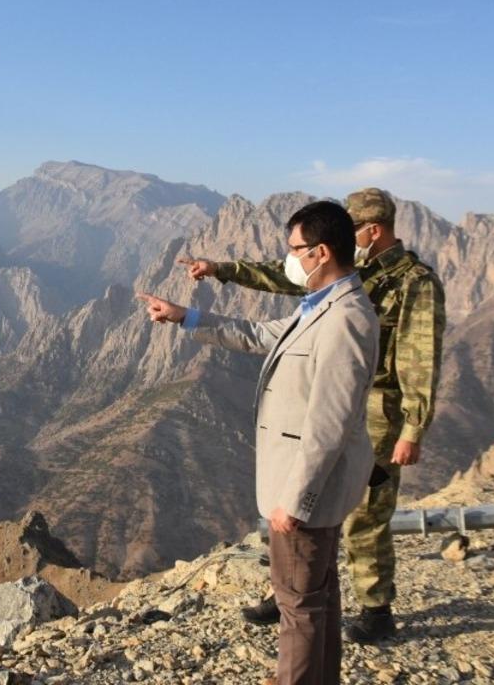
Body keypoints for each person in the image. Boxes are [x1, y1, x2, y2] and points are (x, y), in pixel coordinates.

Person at [180, 188, 446, 643]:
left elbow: (421, 359)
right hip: (324, 397)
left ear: (373, 230)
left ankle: (375, 607)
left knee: (364, 513)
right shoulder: (346, 273)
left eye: (353, 228)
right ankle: (290, 589)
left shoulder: (413, 282)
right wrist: (221, 270)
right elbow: (281, 277)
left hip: (379, 411)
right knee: (302, 497)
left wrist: (412, 428)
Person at [138, 200, 379, 685]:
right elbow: (258, 334)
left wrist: (295, 501)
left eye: (295, 249)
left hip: (305, 492)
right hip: (306, 489)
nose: (289, 259)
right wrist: (186, 316)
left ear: (322, 251)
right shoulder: (321, 306)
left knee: (297, 605)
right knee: (318, 596)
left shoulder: (346, 319)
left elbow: (330, 424)